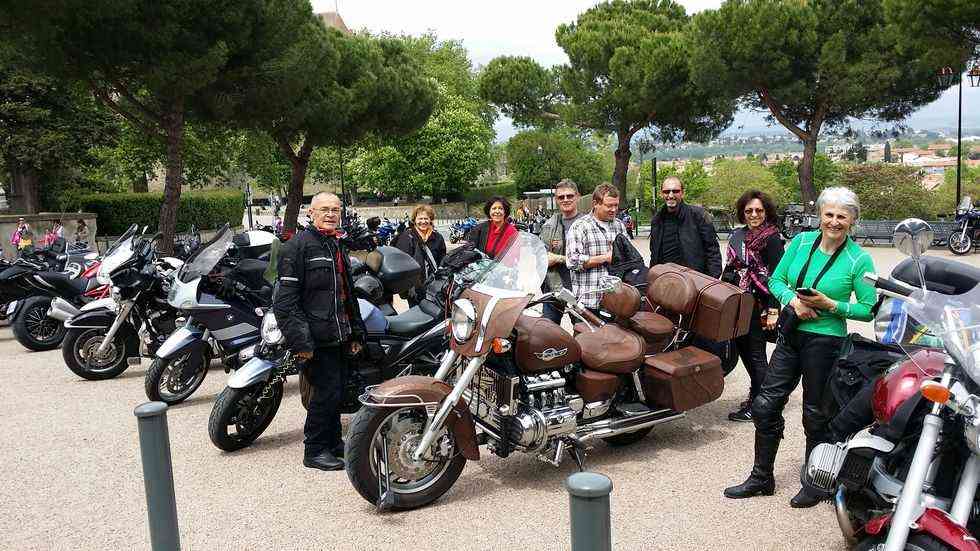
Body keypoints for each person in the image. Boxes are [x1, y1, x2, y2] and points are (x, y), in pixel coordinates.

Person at [724, 186, 876, 508]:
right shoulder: (802, 242)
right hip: (792, 334)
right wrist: (794, 301)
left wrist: (831, 305)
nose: (834, 222)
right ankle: (762, 477)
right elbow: (776, 280)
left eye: (842, 216)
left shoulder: (858, 259)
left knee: (815, 414)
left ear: (852, 220)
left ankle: (815, 481)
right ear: (820, 215)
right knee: (765, 405)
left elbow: (868, 308)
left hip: (826, 341)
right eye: (829, 214)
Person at [274, 192, 365, 471]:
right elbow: (285, 302)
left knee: (336, 392)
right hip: (316, 337)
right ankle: (314, 450)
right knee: (323, 394)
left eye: (335, 210)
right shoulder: (297, 247)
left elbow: (347, 293)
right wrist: (302, 343)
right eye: (324, 209)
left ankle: (333, 442)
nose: (330, 214)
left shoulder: (336, 244)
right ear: (311, 213)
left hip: (338, 333)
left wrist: (355, 333)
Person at [721, 190, 785, 422]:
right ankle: (759, 394)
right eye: (749, 211)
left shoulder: (772, 238)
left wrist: (773, 310)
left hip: (761, 303)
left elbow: (778, 276)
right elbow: (730, 268)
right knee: (743, 349)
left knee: (755, 353)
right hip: (739, 301)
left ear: (766, 212)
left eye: (759, 210)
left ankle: (761, 404)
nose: (754, 214)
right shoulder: (738, 235)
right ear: (743, 213)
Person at [565, 183, 628, 313]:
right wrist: (605, 258)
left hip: (615, 302)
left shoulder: (619, 226)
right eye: (609, 206)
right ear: (595, 204)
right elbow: (572, 261)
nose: (613, 210)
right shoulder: (580, 227)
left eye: (616, 205)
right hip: (588, 303)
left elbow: (628, 256)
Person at [648, 176, 722, 278]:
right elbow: (654, 254)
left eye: (675, 191)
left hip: (694, 280)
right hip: (665, 280)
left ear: (682, 193)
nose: (670, 195)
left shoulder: (698, 215)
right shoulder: (657, 220)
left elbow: (712, 251)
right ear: (661, 194)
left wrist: (710, 280)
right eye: (666, 192)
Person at [539, 179, 584, 324]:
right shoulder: (548, 226)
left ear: (577, 197)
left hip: (581, 287)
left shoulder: (587, 224)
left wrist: (559, 258)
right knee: (547, 329)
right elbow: (542, 258)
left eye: (569, 196)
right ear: (556, 200)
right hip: (554, 285)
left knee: (582, 330)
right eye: (561, 197)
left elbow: (591, 258)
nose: (565, 199)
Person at [394, 204, 447, 304]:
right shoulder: (407, 236)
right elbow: (402, 263)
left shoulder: (438, 237)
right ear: (414, 220)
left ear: (430, 220)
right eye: (420, 218)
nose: (423, 221)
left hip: (434, 286)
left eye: (426, 218)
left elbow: (442, 259)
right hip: (414, 287)